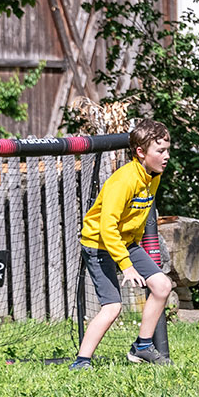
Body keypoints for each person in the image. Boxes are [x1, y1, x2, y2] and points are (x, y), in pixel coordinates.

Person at [70, 118, 174, 369]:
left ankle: (142, 346)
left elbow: (135, 217)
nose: (166, 156)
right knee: (113, 306)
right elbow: (107, 227)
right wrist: (126, 266)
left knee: (162, 286)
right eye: (160, 151)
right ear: (140, 152)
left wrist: (132, 250)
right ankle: (82, 361)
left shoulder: (153, 176)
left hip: (125, 242)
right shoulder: (124, 181)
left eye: (168, 150)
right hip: (98, 244)